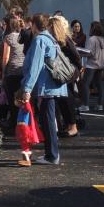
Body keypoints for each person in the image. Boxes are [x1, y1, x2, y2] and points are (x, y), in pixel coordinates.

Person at [19, 13, 68, 165]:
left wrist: (27, 89)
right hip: (53, 86)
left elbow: (35, 65)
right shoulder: (51, 39)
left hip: (47, 87)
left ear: (34, 25)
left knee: (48, 121)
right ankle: (51, 154)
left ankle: (52, 155)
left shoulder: (40, 40)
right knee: (48, 120)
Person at [49, 15, 81, 137]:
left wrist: (76, 69)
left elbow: (76, 55)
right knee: (62, 99)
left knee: (67, 99)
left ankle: (73, 126)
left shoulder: (64, 39)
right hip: (62, 72)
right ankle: (69, 125)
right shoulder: (55, 39)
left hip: (67, 72)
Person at [80, 21, 104, 112]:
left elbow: (88, 52)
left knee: (85, 84)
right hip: (101, 65)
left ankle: (85, 105)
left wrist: (80, 52)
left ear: (92, 28)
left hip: (91, 65)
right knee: (100, 85)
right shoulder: (102, 39)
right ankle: (100, 105)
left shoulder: (91, 39)